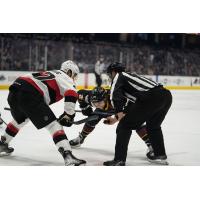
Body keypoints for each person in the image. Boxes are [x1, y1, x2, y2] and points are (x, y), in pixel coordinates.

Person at [0, 60, 86, 166]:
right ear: (69, 72)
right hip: (30, 94)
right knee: (54, 125)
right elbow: (71, 93)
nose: (74, 77)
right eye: (74, 74)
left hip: (14, 90)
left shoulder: (53, 72)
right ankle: (68, 155)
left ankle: (2, 143)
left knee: (21, 119)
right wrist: (69, 114)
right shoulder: (66, 78)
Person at [103, 62, 172, 166]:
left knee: (124, 126)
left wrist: (118, 113)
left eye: (109, 74)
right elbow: (133, 104)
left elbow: (115, 95)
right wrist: (117, 118)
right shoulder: (130, 78)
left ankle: (119, 159)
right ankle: (159, 155)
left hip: (151, 98)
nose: (109, 77)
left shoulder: (119, 76)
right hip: (165, 96)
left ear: (113, 71)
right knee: (153, 126)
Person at [69, 87, 153, 154]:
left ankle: (151, 145)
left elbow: (129, 108)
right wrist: (84, 107)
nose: (97, 105)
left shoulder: (117, 98)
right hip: (109, 108)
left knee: (135, 122)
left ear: (105, 98)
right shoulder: (89, 97)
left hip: (125, 108)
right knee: (92, 119)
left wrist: (115, 119)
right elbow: (79, 94)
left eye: (99, 102)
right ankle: (81, 138)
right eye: (94, 103)